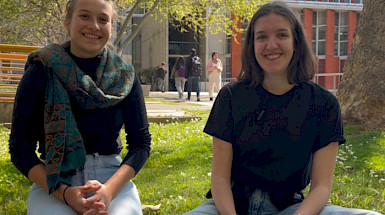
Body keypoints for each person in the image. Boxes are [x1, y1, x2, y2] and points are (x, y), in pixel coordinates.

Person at [185, 1, 381, 215]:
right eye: (261, 37)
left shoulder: (323, 104)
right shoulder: (231, 97)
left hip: (291, 208)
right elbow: (220, 178)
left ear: (296, 42)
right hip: (230, 207)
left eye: (281, 35)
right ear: (251, 44)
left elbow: (321, 187)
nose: (271, 45)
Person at [8, 0, 151, 214]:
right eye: (84, 16)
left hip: (111, 179)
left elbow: (141, 145)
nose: (94, 25)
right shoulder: (41, 70)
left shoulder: (125, 76)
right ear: (67, 22)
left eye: (103, 19)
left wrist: (109, 191)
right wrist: (64, 193)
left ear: (111, 27)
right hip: (54, 181)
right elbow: (20, 149)